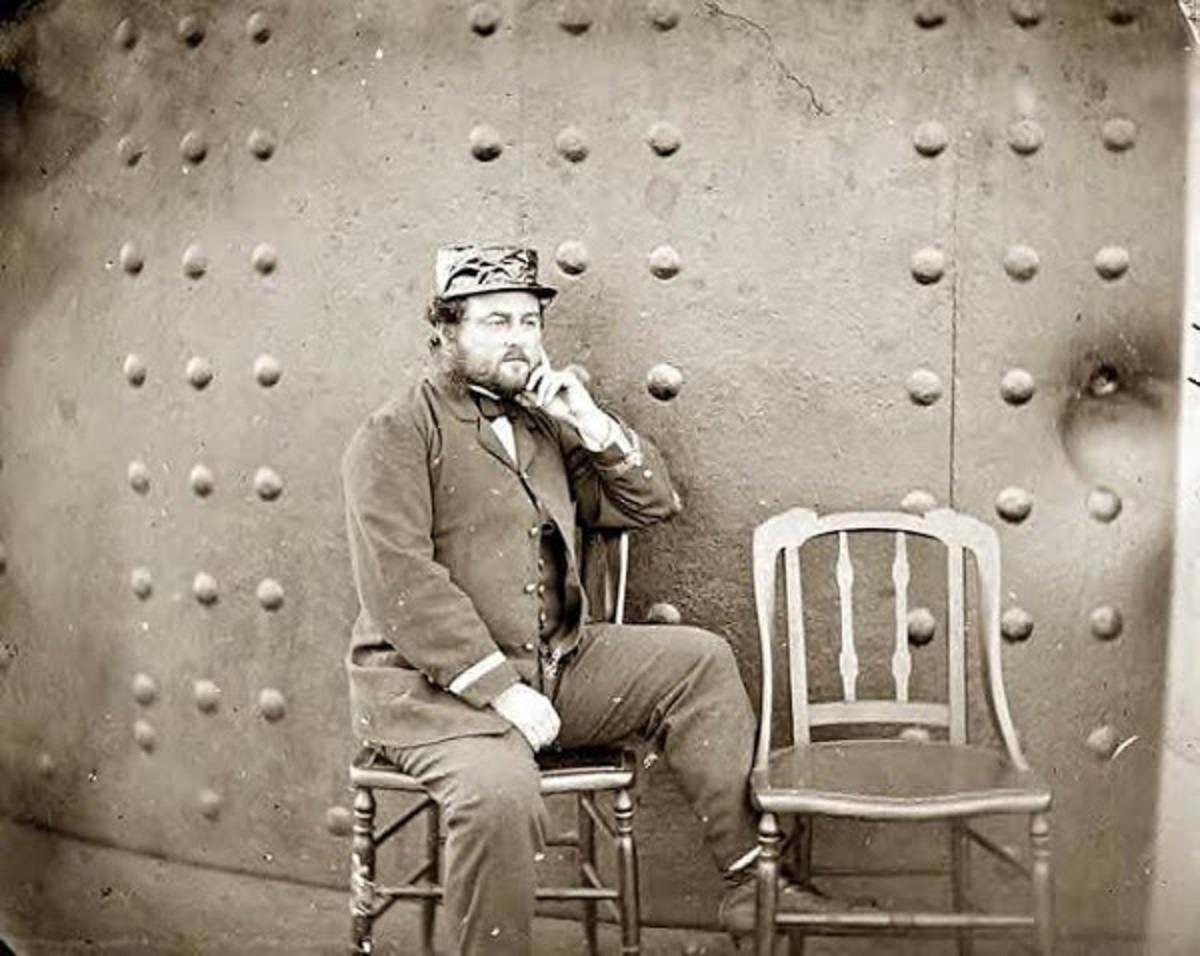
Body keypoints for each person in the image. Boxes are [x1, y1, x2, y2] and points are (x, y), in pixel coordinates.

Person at [341, 244, 834, 954]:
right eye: (494, 321)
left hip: (553, 667)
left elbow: (650, 503)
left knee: (699, 662)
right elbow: (401, 582)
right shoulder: (395, 432)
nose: (518, 337)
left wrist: (592, 424)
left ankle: (749, 885)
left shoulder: (542, 423)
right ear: (446, 332)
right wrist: (504, 693)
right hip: (431, 692)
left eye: (530, 321)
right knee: (498, 795)